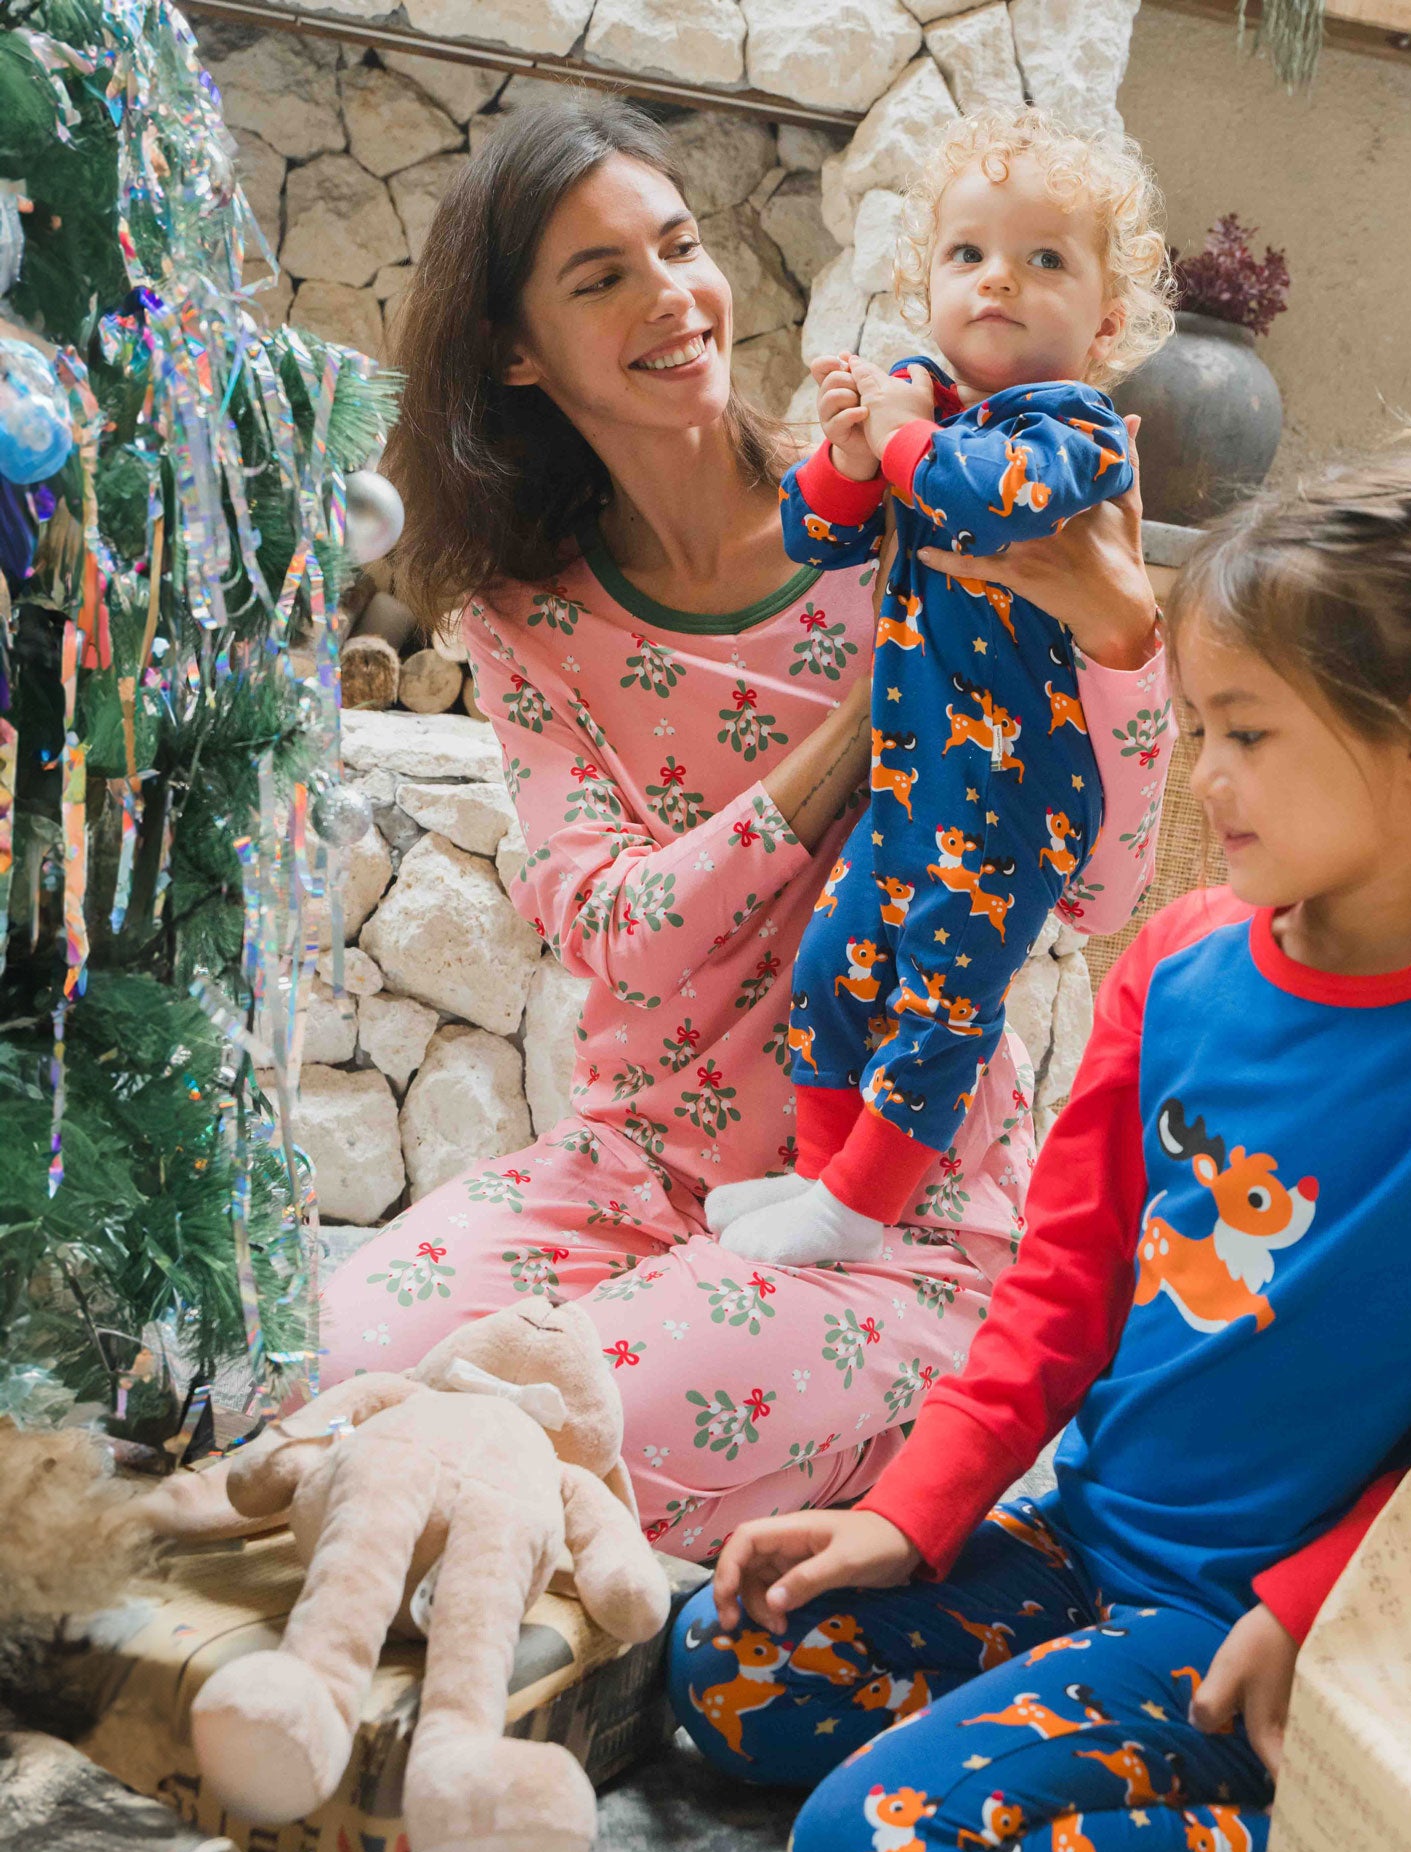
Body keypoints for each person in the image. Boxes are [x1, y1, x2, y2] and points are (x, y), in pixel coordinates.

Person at [670, 426, 1411, 1852]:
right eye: (1197, 728)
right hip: (1089, 1544)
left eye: (1248, 735)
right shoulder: (1181, 959)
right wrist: (904, 1513)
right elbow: (1058, 1291)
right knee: (726, 1663)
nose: (1204, 780)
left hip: (1270, 1623)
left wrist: (1309, 1603)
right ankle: (1072, 1720)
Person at [312, 94, 1173, 1564]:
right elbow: (620, 937)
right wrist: (868, 732)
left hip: (896, 1220)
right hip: (624, 1176)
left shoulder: (920, 519)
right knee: (323, 1363)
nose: (674, 297)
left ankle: (824, 1445)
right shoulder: (529, 621)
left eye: (679, 245)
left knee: (528, 1428)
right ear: (517, 352)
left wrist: (1121, 635)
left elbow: (1097, 893)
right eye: (601, 278)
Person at [710, 109, 1167, 1269]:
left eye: (1042, 259)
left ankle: (858, 1211)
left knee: (940, 1000)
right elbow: (813, 533)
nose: (996, 278)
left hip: (1015, 795)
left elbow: (985, 500)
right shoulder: (935, 419)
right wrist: (854, 454)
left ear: (1103, 323)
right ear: (930, 283)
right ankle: (820, 1180)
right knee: (831, 960)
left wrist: (905, 435)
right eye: (966, 254)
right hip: (914, 777)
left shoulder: (1073, 428)